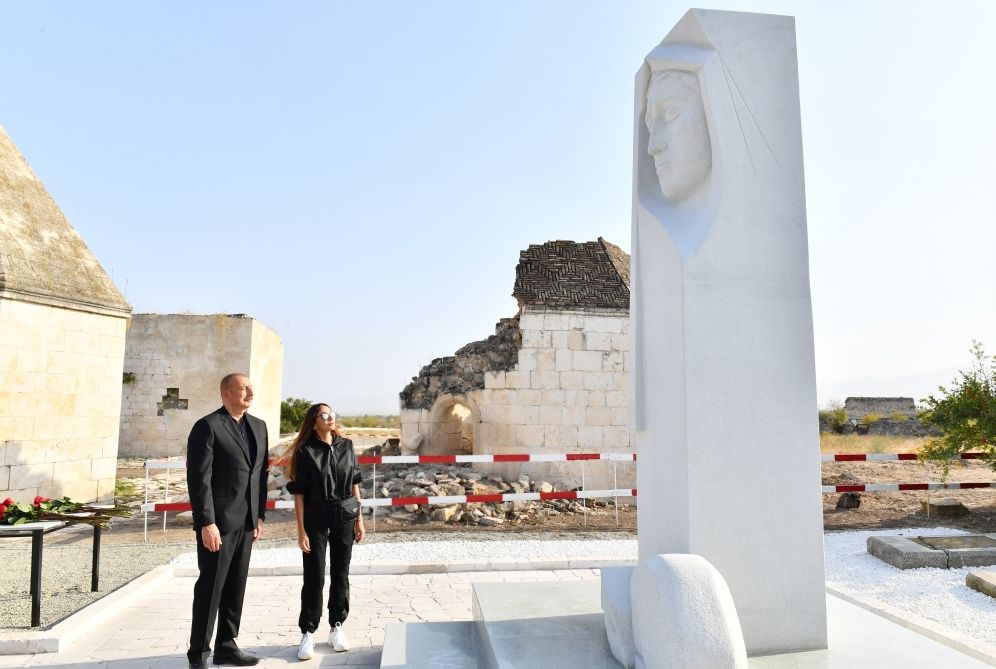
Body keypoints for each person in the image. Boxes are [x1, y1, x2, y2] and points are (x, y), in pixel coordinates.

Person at [186, 373, 269, 669]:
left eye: (251, 386)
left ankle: (226, 645)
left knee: (236, 586)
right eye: (244, 388)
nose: (251, 392)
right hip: (217, 524)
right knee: (211, 588)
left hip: (247, 522)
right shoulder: (207, 427)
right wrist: (206, 522)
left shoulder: (258, 427)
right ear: (225, 392)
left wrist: (259, 514)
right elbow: (199, 480)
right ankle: (199, 654)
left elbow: (260, 474)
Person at [284, 403, 365, 660]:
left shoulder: (346, 446)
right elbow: (299, 494)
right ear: (314, 421)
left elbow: (354, 484)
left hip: (345, 514)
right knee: (314, 575)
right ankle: (308, 632)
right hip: (315, 516)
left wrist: (359, 519)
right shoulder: (305, 451)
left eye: (332, 414)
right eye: (325, 415)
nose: (331, 418)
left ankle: (336, 627)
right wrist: (301, 531)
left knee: (341, 573)